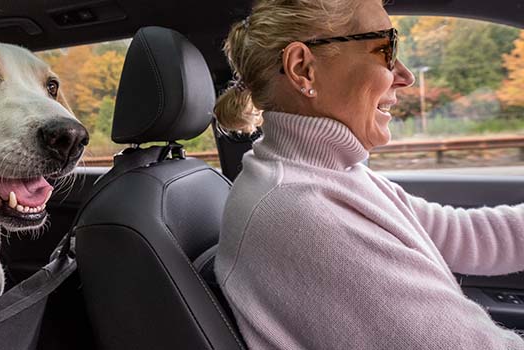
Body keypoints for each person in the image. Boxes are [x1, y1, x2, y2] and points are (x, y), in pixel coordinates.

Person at [212, 0, 524, 349]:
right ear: (303, 69)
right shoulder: (300, 212)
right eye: (385, 49)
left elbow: (463, 236)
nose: (404, 76)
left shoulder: (330, 175)